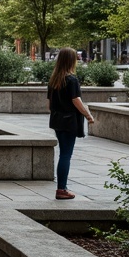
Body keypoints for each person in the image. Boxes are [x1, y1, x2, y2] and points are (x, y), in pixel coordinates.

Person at [47, 47, 95, 200]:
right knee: (66, 155)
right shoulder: (71, 79)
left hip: (57, 120)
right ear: (71, 60)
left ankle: (62, 187)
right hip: (69, 121)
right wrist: (88, 115)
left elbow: (49, 105)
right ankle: (61, 189)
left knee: (63, 153)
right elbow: (76, 100)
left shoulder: (54, 80)